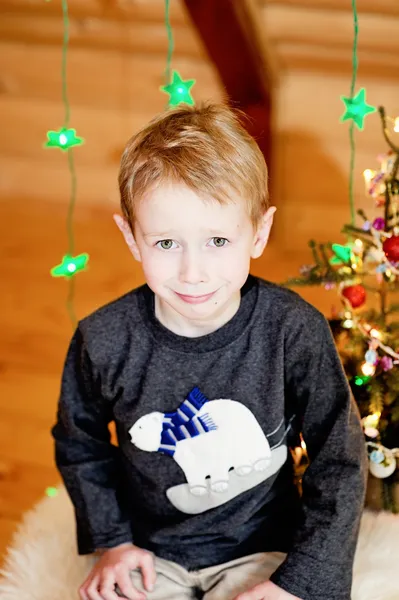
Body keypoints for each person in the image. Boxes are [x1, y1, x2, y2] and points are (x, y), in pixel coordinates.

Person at [52, 103, 367, 600]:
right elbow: (81, 443)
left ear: (258, 233)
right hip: (152, 551)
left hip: (265, 549)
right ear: (131, 238)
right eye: (166, 243)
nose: (192, 272)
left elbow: (340, 455)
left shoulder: (292, 329)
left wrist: (301, 581)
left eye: (218, 239)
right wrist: (112, 541)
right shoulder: (103, 338)